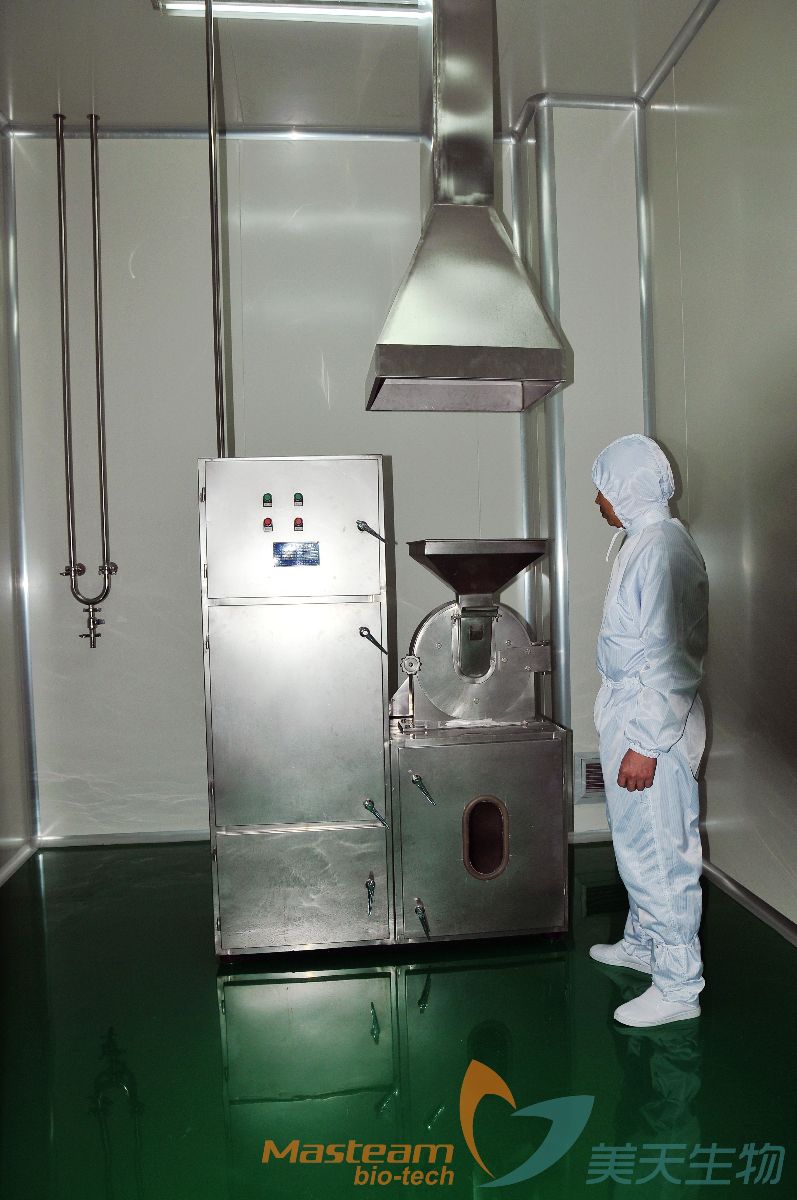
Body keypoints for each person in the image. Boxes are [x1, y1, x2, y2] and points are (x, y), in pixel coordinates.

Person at [588, 434, 709, 1028]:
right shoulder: (641, 543)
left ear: (629, 488)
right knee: (637, 844)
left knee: (661, 855)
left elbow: (674, 658)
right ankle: (644, 944)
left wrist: (645, 743)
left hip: (652, 728)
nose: (598, 501)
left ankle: (679, 985)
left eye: (604, 489)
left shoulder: (662, 549)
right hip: (632, 715)